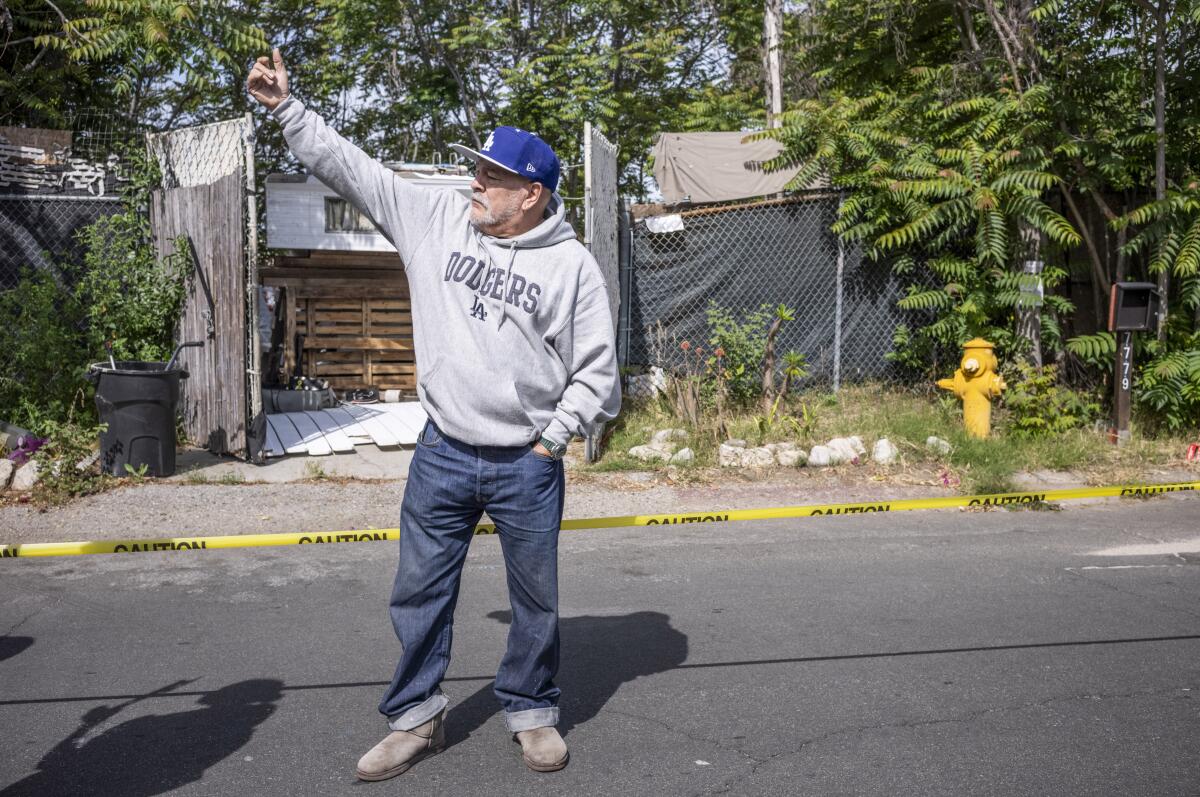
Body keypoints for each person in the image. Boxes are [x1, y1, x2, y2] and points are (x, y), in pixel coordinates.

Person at [247, 48, 620, 779]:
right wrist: (288, 109)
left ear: (532, 196)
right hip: (442, 448)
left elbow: (598, 372)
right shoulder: (435, 218)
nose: (474, 182)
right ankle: (415, 716)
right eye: (477, 170)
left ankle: (532, 709)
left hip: (526, 461)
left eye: (492, 177)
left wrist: (552, 438)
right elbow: (352, 168)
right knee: (418, 589)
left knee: (535, 598)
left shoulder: (570, 266)